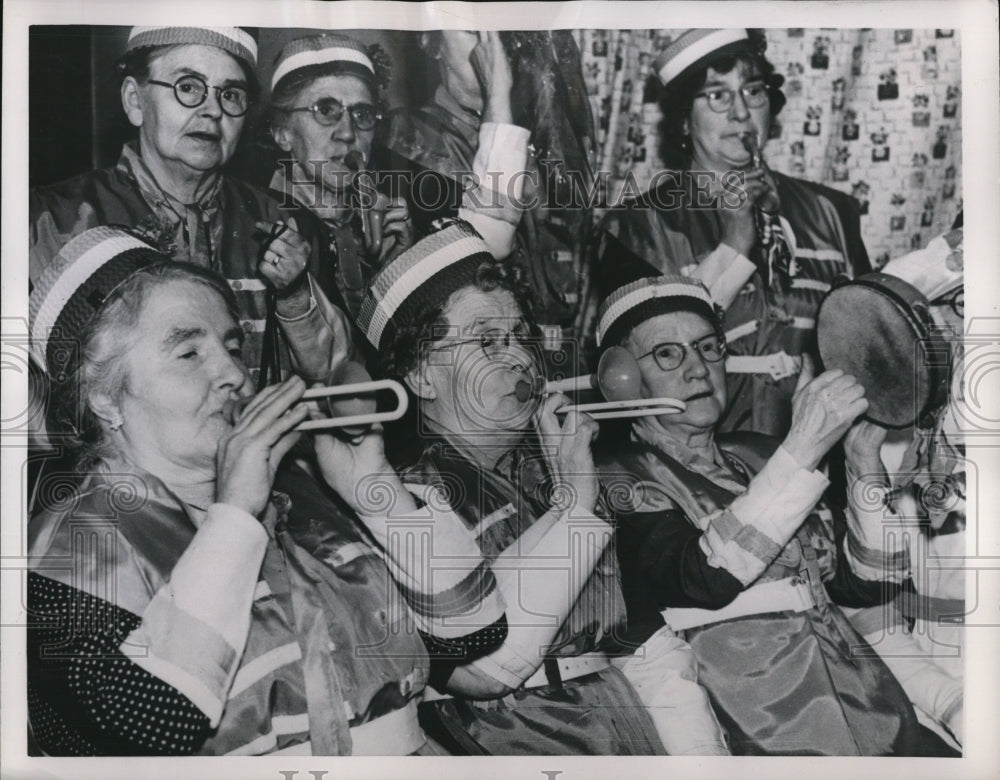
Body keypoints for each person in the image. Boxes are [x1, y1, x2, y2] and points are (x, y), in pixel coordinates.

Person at [26, 226, 509, 755]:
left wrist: (376, 491)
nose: (233, 372)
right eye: (189, 353)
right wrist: (235, 515)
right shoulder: (70, 545)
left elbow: (470, 637)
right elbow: (159, 721)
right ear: (103, 396)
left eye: (233, 346)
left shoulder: (295, 490)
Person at [358, 220, 729, 756]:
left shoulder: (547, 467)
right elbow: (479, 669)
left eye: (520, 338)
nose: (518, 359)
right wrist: (575, 508)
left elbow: (634, 633)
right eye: (487, 342)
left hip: (621, 730)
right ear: (420, 375)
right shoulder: (408, 497)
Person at [594, 274, 924, 755]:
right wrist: (804, 445)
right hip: (752, 722)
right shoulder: (614, 479)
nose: (698, 369)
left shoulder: (761, 453)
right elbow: (706, 576)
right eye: (668, 353)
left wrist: (862, 461)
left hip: (866, 704)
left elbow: (871, 582)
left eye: (709, 347)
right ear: (622, 379)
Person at [29, 26, 350, 384]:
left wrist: (294, 297)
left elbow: (337, 376)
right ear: (135, 101)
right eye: (188, 87)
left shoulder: (287, 224)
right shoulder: (49, 222)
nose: (213, 110)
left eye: (230, 94)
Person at [598, 29, 871, 438]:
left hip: (823, 461)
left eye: (753, 91)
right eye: (717, 95)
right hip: (698, 465)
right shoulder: (636, 226)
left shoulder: (832, 211)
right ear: (684, 121)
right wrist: (735, 243)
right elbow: (638, 369)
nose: (741, 113)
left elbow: (865, 340)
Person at [379, 30, 596, 362]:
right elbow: (482, 248)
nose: (494, 44)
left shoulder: (536, 141)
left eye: (503, 29)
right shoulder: (407, 137)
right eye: (473, 30)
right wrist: (497, 92)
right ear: (429, 41)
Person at [840, 227, 965, 750]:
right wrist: (945, 255)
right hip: (931, 685)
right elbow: (865, 600)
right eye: (958, 305)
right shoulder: (893, 435)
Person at [267, 33, 414, 325]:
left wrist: (401, 269)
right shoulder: (259, 219)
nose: (348, 133)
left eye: (362, 114)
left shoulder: (377, 222)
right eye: (325, 110)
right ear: (282, 132)